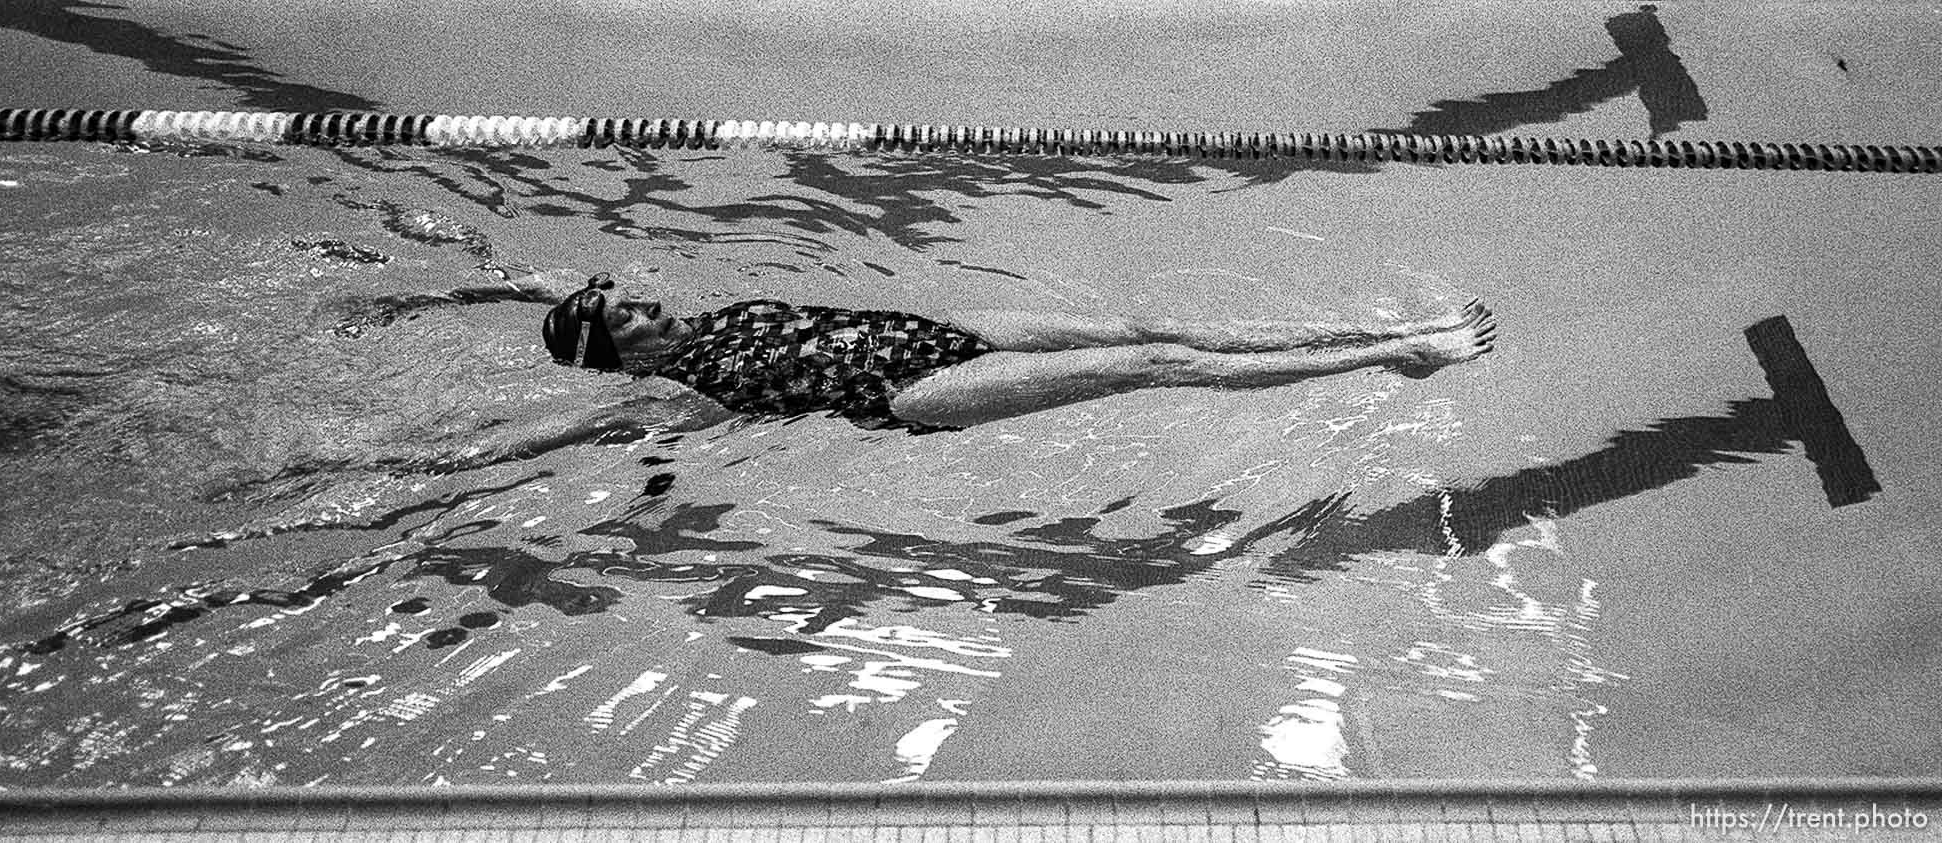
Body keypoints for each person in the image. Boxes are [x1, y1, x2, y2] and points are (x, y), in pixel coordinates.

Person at [540, 272, 1496, 432]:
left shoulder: (711, 324)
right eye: (630, 323)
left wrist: (490, 280)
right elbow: (578, 431)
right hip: (917, 387)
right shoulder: (672, 396)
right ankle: (1400, 353)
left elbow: (558, 301)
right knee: (1151, 364)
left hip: (934, 336)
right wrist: (472, 457)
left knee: (1137, 328)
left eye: (640, 301)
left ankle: (1367, 332)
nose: (654, 312)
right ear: (618, 361)